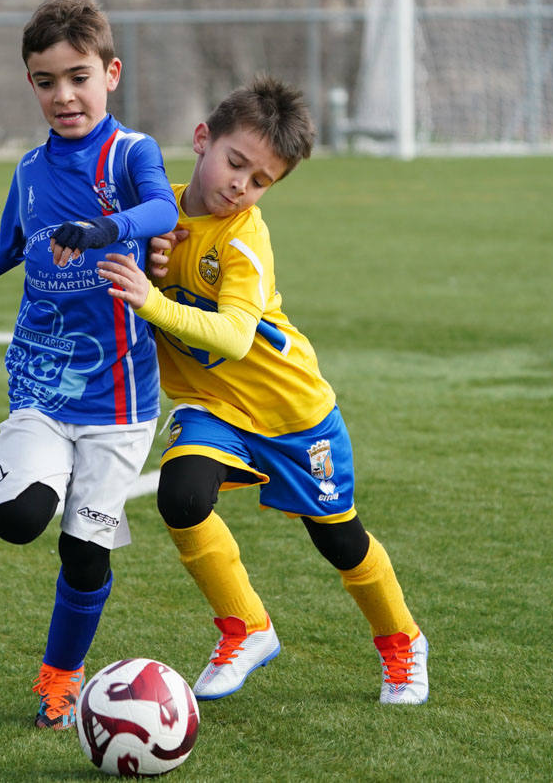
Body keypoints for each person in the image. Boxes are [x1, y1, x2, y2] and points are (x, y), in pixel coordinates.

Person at [96, 77, 430, 705]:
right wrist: (144, 267)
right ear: (202, 140)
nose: (239, 186)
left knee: (337, 537)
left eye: (259, 181)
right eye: (235, 162)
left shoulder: (246, 238)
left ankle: (402, 642)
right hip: (214, 407)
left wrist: (153, 301)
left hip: (293, 411)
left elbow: (232, 337)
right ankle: (246, 626)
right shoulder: (156, 215)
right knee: (182, 494)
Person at [0, 0, 179, 729]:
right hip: (42, 381)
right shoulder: (30, 168)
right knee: (18, 518)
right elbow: (9, 245)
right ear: (31, 82)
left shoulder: (131, 153)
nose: (63, 95)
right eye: (45, 80)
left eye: (78, 76)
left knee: (84, 555)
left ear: (111, 73)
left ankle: (60, 678)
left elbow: (163, 211)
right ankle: (42, 478)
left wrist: (108, 227)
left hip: (122, 401)